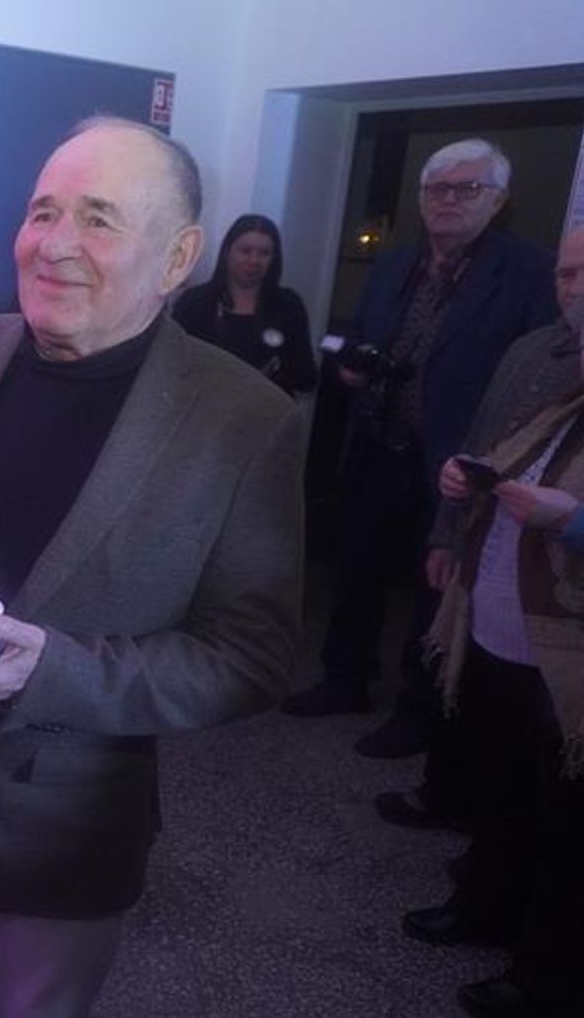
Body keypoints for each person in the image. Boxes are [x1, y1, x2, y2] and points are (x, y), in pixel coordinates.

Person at [0, 117, 304, 1018]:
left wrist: (53, 671)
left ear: (178, 256)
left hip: (66, 815)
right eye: (43, 212)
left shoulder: (243, 421)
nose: (54, 243)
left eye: (98, 218)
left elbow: (250, 657)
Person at [283, 139, 557, 765]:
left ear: (498, 200)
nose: (449, 200)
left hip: (456, 462)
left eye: (467, 189)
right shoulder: (396, 265)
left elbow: (532, 378)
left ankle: (419, 709)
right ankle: (345, 678)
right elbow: (357, 337)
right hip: (379, 446)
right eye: (437, 189)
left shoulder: (527, 273)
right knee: (356, 568)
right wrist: (350, 367)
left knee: (434, 589)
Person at [409, 226, 584, 1018]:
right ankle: (486, 908)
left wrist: (570, 520)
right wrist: (462, 488)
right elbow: (495, 448)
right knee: (502, 784)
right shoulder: (547, 370)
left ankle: (543, 976)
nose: (573, 288)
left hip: (566, 654)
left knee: (564, 819)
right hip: (499, 625)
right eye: (568, 272)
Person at [172, 212, 316, 393]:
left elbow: (307, 377)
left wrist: (275, 373)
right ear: (227, 252)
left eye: (264, 253)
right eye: (245, 251)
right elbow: (172, 364)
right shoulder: (194, 302)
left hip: (268, 407)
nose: (254, 261)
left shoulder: (288, 305)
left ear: (274, 259)